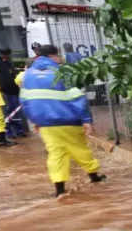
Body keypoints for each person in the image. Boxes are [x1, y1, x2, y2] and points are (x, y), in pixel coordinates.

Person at [20, 44, 107, 198]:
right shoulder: (62, 72)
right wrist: (87, 119)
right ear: (53, 56)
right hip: (67, 120)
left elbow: (25, 100)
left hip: (45, 123)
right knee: (80, 149)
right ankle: (94, 177)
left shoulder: (28, 75)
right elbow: (76, 98)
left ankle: (60, 189)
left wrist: (35, 120)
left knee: (56, 154)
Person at [0, 47, 28, 138]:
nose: (8, 56)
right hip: (4, 92)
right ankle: (9, 132)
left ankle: (19, 131)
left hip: (13, 90)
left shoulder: (9, 62)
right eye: (6, 55)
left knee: (15, 111)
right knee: (6, 112)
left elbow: (13, 74)